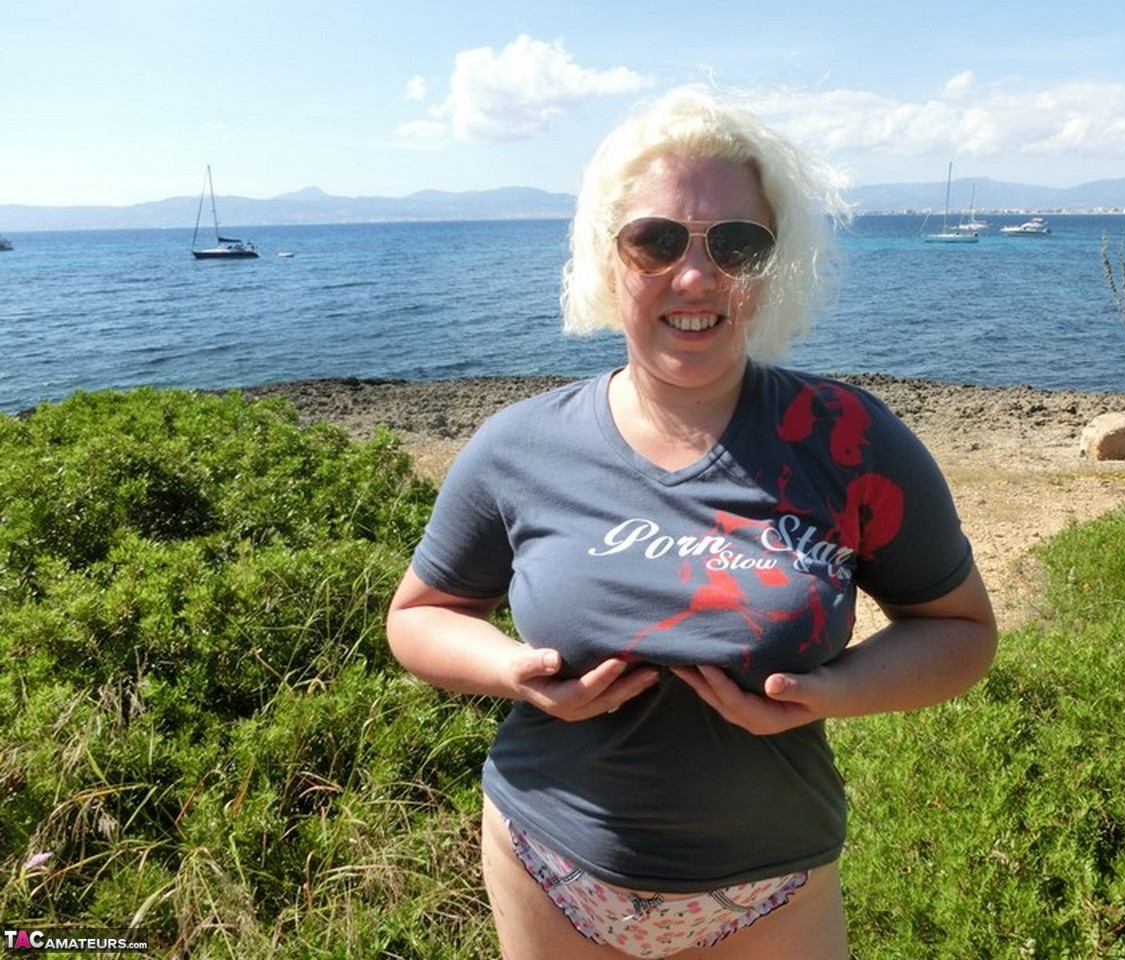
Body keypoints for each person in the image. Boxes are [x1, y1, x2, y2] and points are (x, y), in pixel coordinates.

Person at [386, 87, 998, 959]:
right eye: (657, 240)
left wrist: (833, 692)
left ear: (772, 266)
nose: (697, 276)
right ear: (609, 259)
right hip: (546, 865)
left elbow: (961, 632)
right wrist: (512, 672)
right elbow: (419, 617)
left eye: (737, 244)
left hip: (774, 888)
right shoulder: (520, 445)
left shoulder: (851, 441)